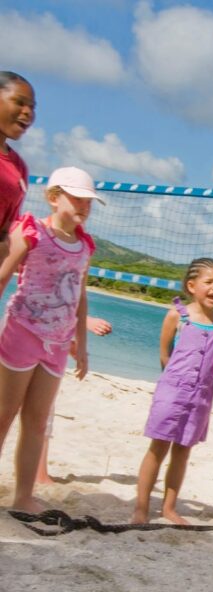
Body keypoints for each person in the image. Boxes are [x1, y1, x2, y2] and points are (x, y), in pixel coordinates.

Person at [0, 166, 102, 512]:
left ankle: (23, 496)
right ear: (54, 196)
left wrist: (81, 345)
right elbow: (3, 275)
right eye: (77, 197)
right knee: (4, 413)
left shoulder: (85, 245)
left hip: (57, 344)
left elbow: (80, 295)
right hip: (22, 332)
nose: (83, 205)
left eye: (89, 200)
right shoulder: (32, 231)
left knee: (37, 421)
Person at [131, 259, 213, 524]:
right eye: (209, 282)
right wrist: (176, 383)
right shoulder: (178, 314)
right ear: (191, 285)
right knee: (158, 447)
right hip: (172, 392)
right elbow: (165, 355)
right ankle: (141, 507)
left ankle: (169, 508)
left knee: (183, 450)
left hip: (201, 397)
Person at [36, 316, 113, 484]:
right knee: (24, 413)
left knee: (42, 414)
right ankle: (39, 474)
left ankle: (39, 473)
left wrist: (76, 348)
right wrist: (85, 322)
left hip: (48, 346)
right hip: (27, 340)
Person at [0, 72, 35, 265]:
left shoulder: (19, 168)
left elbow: (5, 233)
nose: (28, 112)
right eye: (19, 102)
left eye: (32, 107)